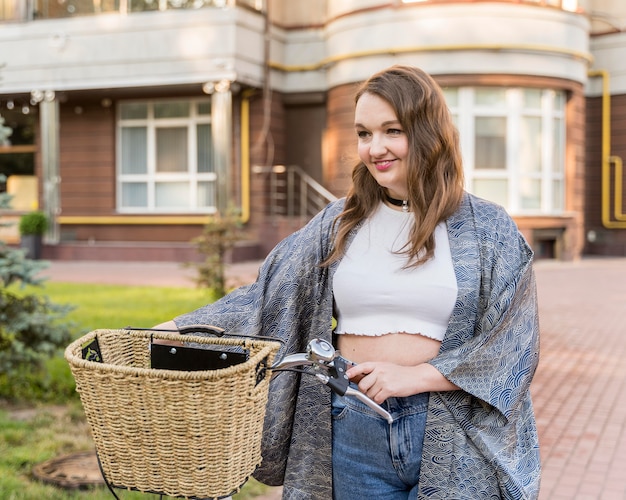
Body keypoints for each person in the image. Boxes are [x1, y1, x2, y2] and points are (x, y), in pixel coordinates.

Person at [157, 65, 541, 499]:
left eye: (391, 130)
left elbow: (514, 342)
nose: (375, 148)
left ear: (429, 132)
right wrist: (171, 332)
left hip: (455, 433)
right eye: (363, 133)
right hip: (353, 427)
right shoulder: (339, 223)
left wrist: (414, 377)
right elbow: (267, 297)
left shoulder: (488, 228)